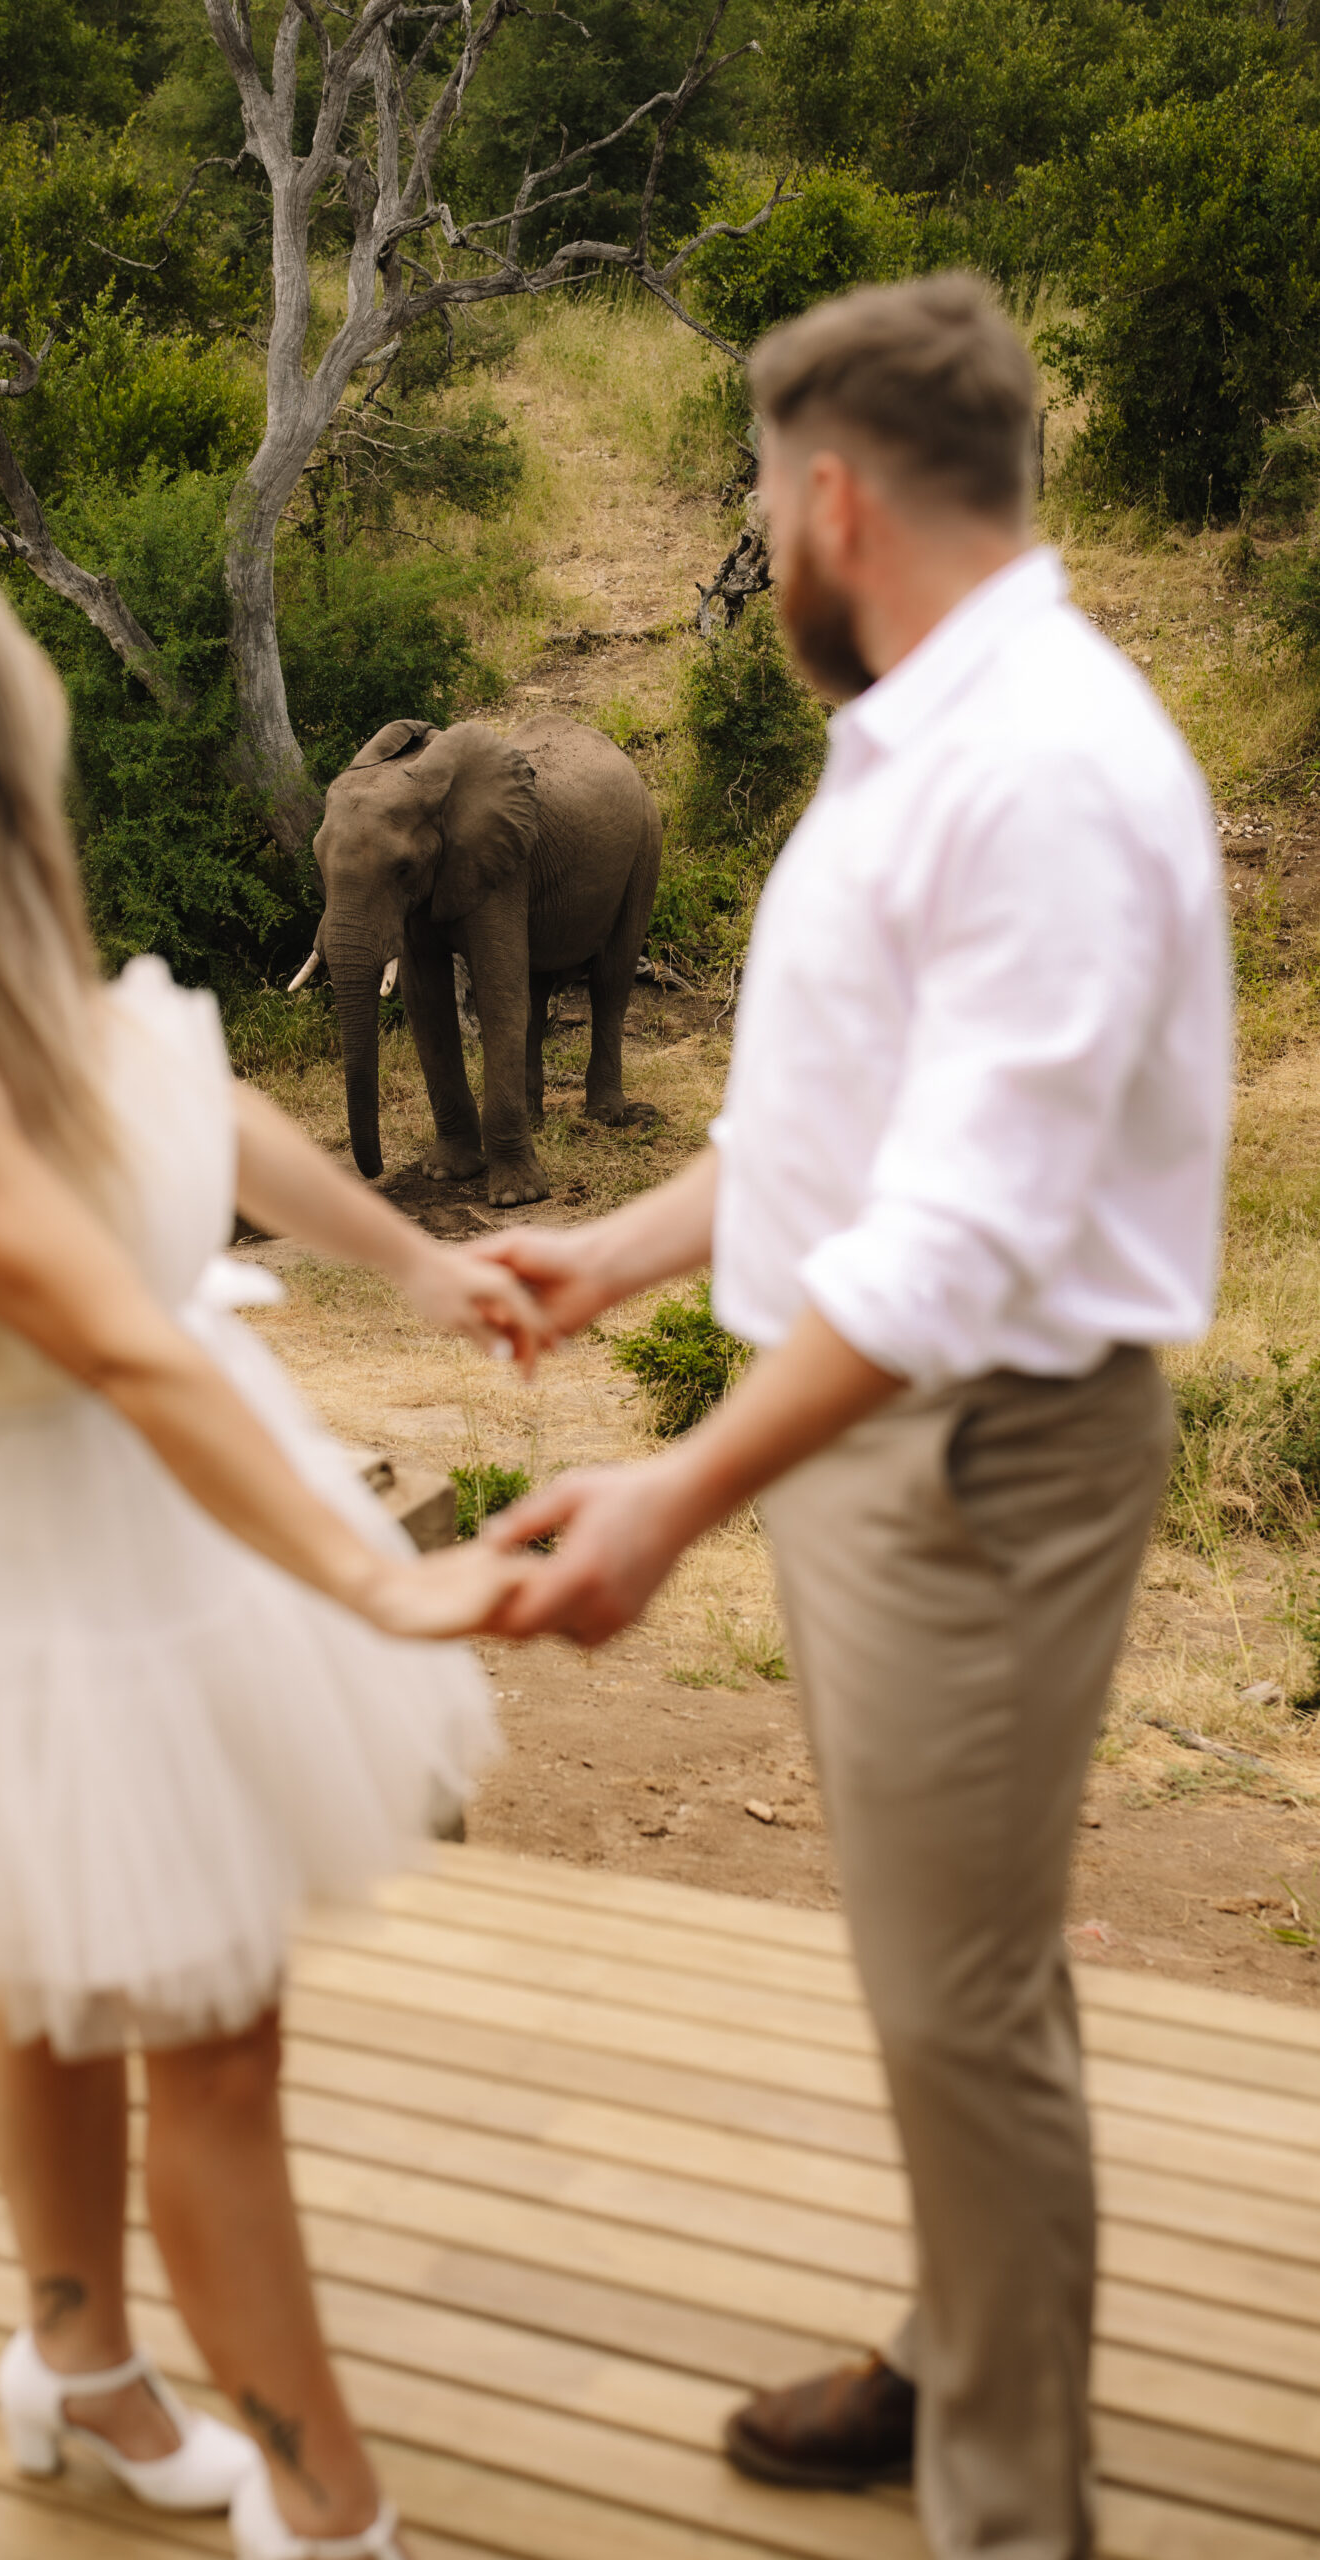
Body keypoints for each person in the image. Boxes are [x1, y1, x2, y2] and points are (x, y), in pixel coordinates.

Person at [0, 534, 548, 2560]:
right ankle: (327, 2507)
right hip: (72, 1561)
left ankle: (71, 2369)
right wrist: (376, 1575)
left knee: (67, 1983)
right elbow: (125, 1353)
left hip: (147, 1519)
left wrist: (420, 1263)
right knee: (210, 2041)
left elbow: (185, 1095)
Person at [472, 274, 1230, 2559]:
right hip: (906, 1449)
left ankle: (1012, 2510)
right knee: (944, 1979)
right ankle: (949, 2350)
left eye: (749, 495)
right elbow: (848, 1128)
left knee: (961, 1995)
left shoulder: (1042, 774)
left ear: (823, 499)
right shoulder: (931, 729)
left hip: (971, 1452)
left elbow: (957, 1241)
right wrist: (610, 1254)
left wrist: (677, 1492)